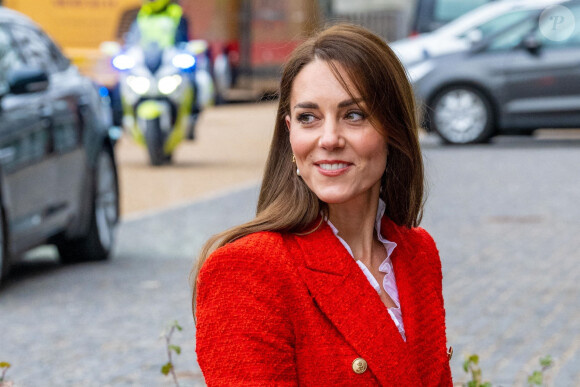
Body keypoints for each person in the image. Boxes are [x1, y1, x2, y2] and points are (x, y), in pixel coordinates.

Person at [192, 23, 453, 385]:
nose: (329, 139)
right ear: (290, 132)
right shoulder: (249, 268)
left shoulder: (417, 252)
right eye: (308, 118)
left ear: (393, 130)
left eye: (354, 115)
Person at [125, 0, 189, 49]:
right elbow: (133, 39)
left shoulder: (175, 12)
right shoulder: (142, 14)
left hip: (169, 57)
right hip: (143, 58)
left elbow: (182, 40)